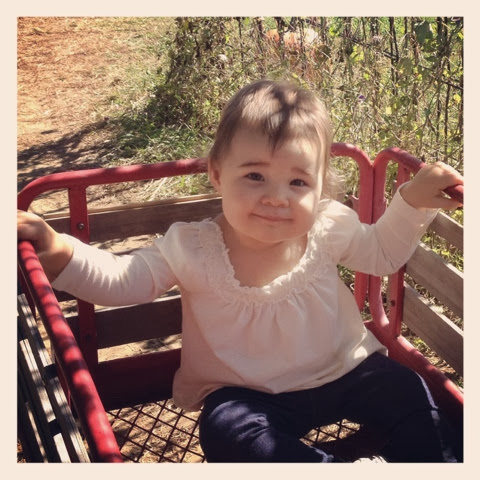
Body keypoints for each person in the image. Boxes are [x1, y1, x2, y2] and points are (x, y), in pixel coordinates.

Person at [17, 79, 463, 463]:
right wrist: (56, 247)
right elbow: (123, 279)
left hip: (348, 371)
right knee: (228, 433)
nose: (277, 197)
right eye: (254, 176)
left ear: (320, 185)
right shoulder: (193, 247)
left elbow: (381, 254)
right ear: (217, 173)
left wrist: (412, 200)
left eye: (298, 182)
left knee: (414, 397)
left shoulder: (328, 226)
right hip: (250, 396)